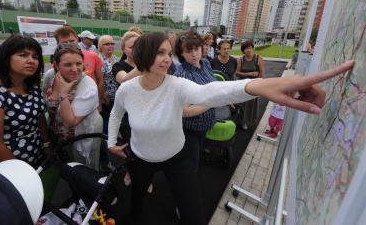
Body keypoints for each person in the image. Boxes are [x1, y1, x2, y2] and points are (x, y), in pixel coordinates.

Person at [108, 31, 354, 225]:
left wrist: (257, 85)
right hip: (140, 159)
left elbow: (210, 91)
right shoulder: (128, 90)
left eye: (168, 53)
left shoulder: (176, 85)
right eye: (160, 53)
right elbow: (116, 113)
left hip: (177, 157)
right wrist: (110, 142)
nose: (166, 59)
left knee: (194, 215)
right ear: (144, 55)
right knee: (136, 205)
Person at [0, 35, 50, 176]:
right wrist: (20, 175)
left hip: (36, 156)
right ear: (6, 58)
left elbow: (39, 116)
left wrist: (46, 143)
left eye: (36, 57)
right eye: (23, 55)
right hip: (6, 166)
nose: (31, 60)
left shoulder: (32, 85)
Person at [44, 43, 102, 168]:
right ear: (56, 66)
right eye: (68, 65)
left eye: (79, 64)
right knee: (68, 164)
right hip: (59, 134)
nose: (75, 69)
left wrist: (63, 95)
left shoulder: (88, 86)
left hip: (83, 133)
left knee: (85, 167)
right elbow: (46, 98)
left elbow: (70, 122)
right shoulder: (52, 76)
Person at [173, 31, 215, 172]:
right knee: (191, 165)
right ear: (181, 53)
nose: (194, 54)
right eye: (188, 51)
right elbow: (184, 111)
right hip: (189, 129)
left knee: (193, 159)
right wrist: (212, 101)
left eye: (196, 49)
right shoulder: (182, 74)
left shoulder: (206, 63)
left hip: (204, 124)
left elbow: (212, 86)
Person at [42, 27, 106, 111]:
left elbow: (100, 80)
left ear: (77, 40)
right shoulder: (51, 74)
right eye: (65, 42)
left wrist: (98, 101)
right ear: (58, 44)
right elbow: (44, 97)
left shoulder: (93, 56)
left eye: (72, 41)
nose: (69, 44)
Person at [111, 31, 141, 144]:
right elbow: (124, 79)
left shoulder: (150, 64)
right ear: (123, 49)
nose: (136, 49)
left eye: (139, 46)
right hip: (128, 115)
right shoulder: (118, 66)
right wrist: (144, 64)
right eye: (132, 47)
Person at [235, 40, 265, 130]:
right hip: (243, 85)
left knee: (252, 104)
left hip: (254, 85)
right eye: (246, 48)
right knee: (242, 104)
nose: (249, 50)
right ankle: (242, 121)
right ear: (243, 50)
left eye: (250, 48)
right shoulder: (240, 59)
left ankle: (248, 121)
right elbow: (237, 73)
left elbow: (262, 72)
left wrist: (263, 84)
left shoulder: (258, 58)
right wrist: (249, 74)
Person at [98, 35, 119, 135]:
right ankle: (107, 141)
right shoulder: (99, 60)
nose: (110, 46)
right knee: (108, 121)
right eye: (107, 44)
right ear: (101, 46)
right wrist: (103, 96)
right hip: (107, 98)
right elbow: (100, 80)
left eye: (112, 43)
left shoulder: (115, 58)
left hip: (117, 96)